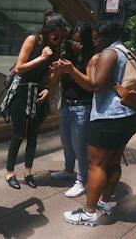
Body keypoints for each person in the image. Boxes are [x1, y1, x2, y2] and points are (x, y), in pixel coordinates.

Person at [63, 20, 136, 226]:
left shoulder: (109, 53)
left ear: (105, 39)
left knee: (96, 165)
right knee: (113, 162)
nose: (94, 43)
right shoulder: (126, 51)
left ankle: (89, 213)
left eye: (96, 39)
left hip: (110, 117)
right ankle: (105, 203)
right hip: (130, 115)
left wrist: (81, 68)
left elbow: (96, 87)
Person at [1, 10, 66, 190]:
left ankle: (28, 172)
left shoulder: (56, 49)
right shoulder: (32, 40)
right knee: (18, 134)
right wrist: (41, 58)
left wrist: (51, 81)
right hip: (21, 90)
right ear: (46, 31)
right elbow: (19, 68)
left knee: (34, 135)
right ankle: (9, 172)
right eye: (55, 36)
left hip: (38, 91)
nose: (57, 39)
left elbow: (50, 78)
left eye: (61, 36)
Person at [49, 22, 95, 198]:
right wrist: (57, 71)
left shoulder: (91, 58)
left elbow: (90, 86)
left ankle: (82, 180)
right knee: (66, 142)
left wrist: (72, 70)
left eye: (79, 43)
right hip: (67, 106)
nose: (75, 46)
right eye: (72, 42)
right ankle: (69, 170)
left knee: (79, 147)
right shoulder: (65, 55)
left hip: (83, 107)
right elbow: (53, 81)